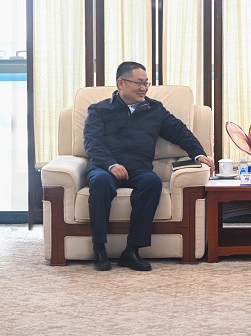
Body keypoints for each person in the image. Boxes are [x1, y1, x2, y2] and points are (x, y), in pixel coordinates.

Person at [84, 61, 214, 271]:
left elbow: (179, 132)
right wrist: (110, 164)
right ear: (121, 83)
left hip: (138, 168)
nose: (144, 88)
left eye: (146, 83)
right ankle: (99, 247)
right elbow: (92, 143)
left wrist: (198, 154)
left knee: (152, 183)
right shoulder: (99, 110)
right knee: (100, 182)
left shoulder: (155, 109)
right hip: (104, 167)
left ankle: (132, 250)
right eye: (139, 83)